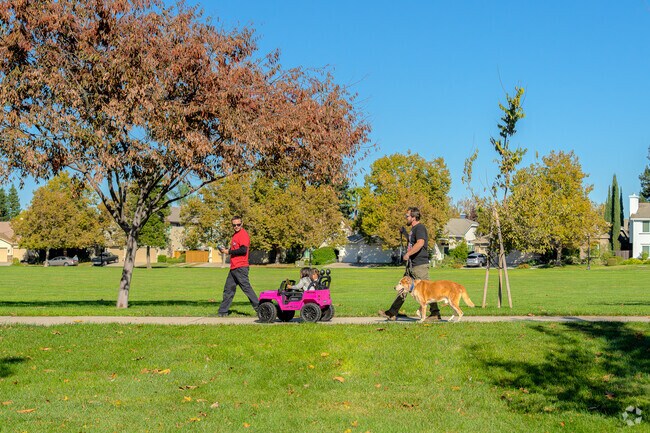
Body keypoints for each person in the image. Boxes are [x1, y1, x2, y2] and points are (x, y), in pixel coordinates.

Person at [378, 207, 441, 321]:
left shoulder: (420, 227)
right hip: (411, 265)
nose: (405, 218)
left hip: (419, 265)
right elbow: (412, 241)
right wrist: (405, 233)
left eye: (407, 216)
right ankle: (392, 312)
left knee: (428, 289)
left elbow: (420, 243)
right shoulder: (413, 230)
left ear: (413, 217)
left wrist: (408, 254)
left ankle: (435, 314)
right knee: (402, 287)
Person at [217, 216, 259, 317]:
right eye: (234, 225)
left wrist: (229, 251)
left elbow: (243, 250)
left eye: (238, 224)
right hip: (234, 267)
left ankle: (261, 309)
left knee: (246, 288)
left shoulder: (243, 234)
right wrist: (225, 250)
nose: (236, 226)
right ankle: (223, 312)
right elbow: (235, 249)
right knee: (228, 289)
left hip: (241, 267)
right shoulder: (235, 235)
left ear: (242, 224)